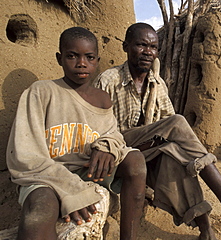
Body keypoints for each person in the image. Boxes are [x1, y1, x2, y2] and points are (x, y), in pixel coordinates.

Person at [94, 22, 221, 240]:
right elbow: (99, 130)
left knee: (177, 159)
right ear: (126, 46)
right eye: (141, 45)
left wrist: (170, 144)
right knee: (178, 122)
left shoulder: (157, 83)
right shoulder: (109, 80)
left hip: (146, 150)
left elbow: (166, 122)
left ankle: (205, 227)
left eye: (153, 47)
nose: (148, 52)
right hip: (119, 150)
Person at [6, 27, 147, 240]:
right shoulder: (41, 92)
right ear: (59, 58)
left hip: (88, 170)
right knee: (40, 210)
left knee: (135, 161)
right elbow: (26, 156)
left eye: (89, 57)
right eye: (72, 56)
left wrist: (107, 147)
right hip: (46, 176)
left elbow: (113, 134)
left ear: (97, 60)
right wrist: (73, 190)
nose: (81, 63)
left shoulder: (102, 99)